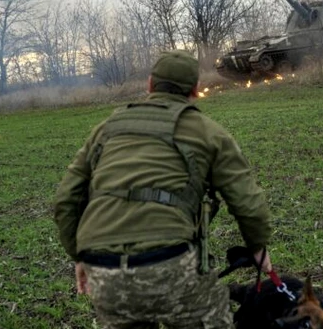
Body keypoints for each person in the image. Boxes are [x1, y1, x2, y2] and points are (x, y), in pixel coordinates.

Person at [54, 49, 273, 329]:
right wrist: (258, 247)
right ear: (195, 90)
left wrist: (79, 256)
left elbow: (66, 199)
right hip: (170, 263)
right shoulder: (209, 132)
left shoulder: (106, 129)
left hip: (103, 268)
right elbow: (247, 202)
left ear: (150, 84)